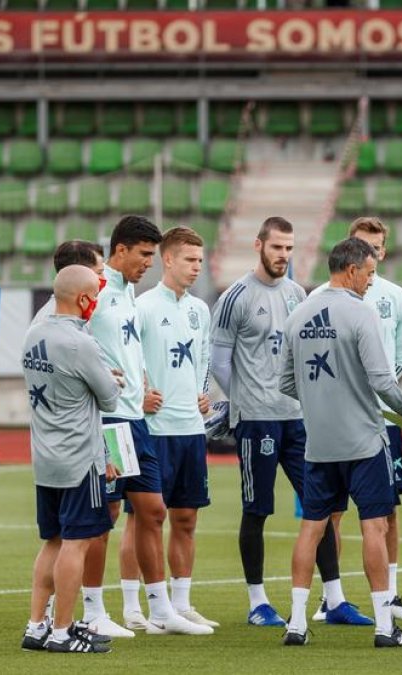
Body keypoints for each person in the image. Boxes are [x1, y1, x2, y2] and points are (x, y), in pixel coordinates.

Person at [278, 237, 402, 648]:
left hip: (319, 444)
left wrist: (321, 401)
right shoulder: (361, 314)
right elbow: (382, 380)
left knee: (311, 528)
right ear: (350, 270)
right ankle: (385, 626)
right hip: (364, 441)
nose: (370, 281)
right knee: (374, 526)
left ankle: (295, 623)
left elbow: (285, 382)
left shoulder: (298, 315)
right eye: (368, 272)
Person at [210, 217, 362, 627]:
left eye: (289, 248)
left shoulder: (298, 294)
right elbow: (219, 361)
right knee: (256, 510)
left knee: (321, 506)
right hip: (256, 421)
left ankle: (334, 600)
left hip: (297, 419)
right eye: (277, 247)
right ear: (258, 245)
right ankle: (258, 602)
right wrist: (242, 401)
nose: (283, 255)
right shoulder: (235, 297)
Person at [90, 216, 208, 636]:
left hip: (134, 421)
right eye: (143, 255)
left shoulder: (126, 293)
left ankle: (161, 610)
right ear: (120, 250)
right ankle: (94, 611)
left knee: (152, 510)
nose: (148, 263)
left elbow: (126, 351)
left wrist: (139, 388)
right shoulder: (97, 288)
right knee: (107, 513)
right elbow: (72, 336)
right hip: (111, 421)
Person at [311, 217, 402, 623]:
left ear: (384, 251)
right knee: (331, 512)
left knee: (387, 509)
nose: (369, 254)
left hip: (384, 418)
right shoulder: (324, 297)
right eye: (362, 246)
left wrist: (380, 389)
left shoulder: (396, 297)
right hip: (340, 418)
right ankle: (333, 596)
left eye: (375, 248)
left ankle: (389, 595)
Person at [29, 240, 134, 638]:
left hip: (46, 453)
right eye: (98, 275)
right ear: (83, 294)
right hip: (80, 454)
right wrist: (108, 378)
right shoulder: (79, 339)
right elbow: (108, 396)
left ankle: (36, 624)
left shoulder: (34, 332)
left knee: (53, 541)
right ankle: (63, 630)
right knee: (78, 541)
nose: (104, 282)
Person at [135, 227, 219, 631]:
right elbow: (129, 358)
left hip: (190, 428)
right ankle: (135, 607)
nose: (196, 267)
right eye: (189, 260)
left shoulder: (200, 309)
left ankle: (181, 604)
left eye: (200, 261)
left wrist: (203, 394)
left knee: (186, 518)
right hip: (153, 429)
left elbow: (203, 359)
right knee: (144, 519)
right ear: (167, 260)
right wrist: (140, 395)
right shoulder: (143, 306)